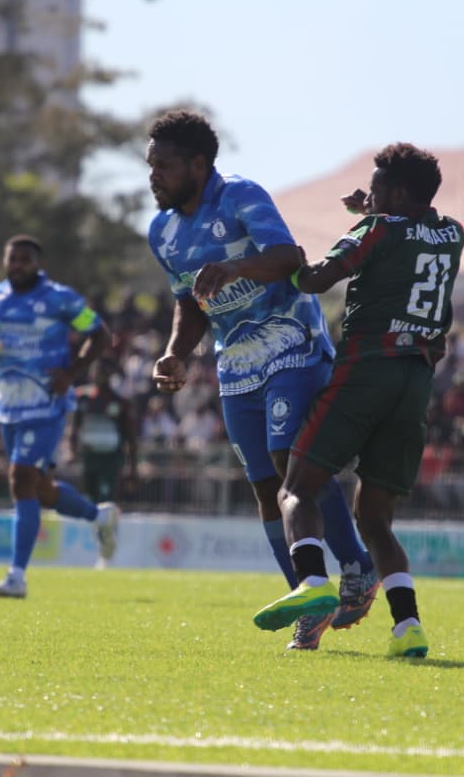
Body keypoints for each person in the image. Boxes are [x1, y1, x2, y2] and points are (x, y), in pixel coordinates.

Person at [145, 110, 377, 650]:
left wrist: (236, 268)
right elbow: (189, 303)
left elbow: (290, 257)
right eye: (150, 165)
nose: (154, 175)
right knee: (265, 488)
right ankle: (308, 601)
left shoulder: (241, 196)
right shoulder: (162, 233)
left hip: (292, 342)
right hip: (236, 364)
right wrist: (176, 353)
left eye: (165, 165)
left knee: (290, 462)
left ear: (198, 164)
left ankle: (356, 569)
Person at [251, 143, 463, 658]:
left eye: (375, 187)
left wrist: (290, 268)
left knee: (295, 486)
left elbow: (317, 278)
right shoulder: (452, 233)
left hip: (367, 369)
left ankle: (311, 582)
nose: (368, 195)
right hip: (416, 380)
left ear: (396, 192)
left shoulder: (378, 230)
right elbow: (406, 235)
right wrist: (371, 211)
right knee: (374, 517)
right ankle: (407, 626)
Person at [0, 235, 119, 598]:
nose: (18, 265)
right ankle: (100, 517)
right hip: (10, 406)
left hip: (47, 404)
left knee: (20, 479)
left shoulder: (60, 299)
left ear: (37, 263)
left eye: (25, 260)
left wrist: (74, 371)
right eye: (12, 259)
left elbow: (100, 334)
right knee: (40, 490)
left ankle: (16, 576)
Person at [69, 357, 138, 512]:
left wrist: (133, 468)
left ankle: (107, 532)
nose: (99, 375)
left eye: (103, 371)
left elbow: (130, 438)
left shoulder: (120, 402)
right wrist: (72, 451)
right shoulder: (82, 397)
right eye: (96, 371)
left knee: (106, 501)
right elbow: (74, 428)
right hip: (89, 456)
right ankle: (89, 533)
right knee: (88, 500)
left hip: (111, 459)